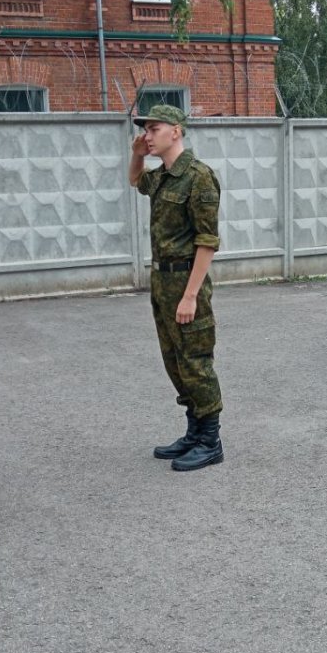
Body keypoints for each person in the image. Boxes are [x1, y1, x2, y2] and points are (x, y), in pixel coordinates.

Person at [128, 105, 225, 472]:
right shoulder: (164, 176)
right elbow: (136, 181)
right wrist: (136, 156)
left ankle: (211, 439)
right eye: (146, 130)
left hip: (187, 281)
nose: (148, 136)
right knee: (174, 359)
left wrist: (189, 295)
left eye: (154, 129)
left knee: (196, 361)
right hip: (162, 281)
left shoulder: (198, 177)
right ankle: (194, 430)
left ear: (176, 131)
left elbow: (207, 241)